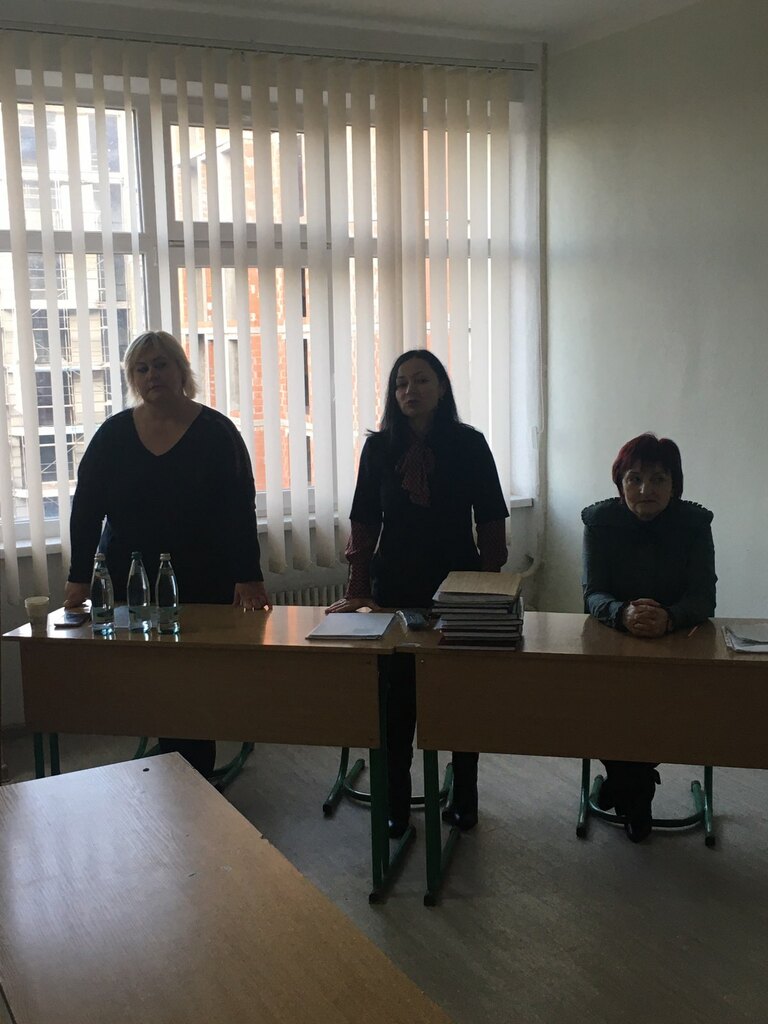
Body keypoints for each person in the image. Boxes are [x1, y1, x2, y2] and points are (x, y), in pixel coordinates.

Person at [64, 329, 269, 776]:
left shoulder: (216, 432)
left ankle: (192, 774)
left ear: (181, 370)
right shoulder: (113, 434)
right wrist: (79, 577)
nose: (152, 375)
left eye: (161, 364)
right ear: (132, 378)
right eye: (141, 368)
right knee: (151, 678)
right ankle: (171, 762)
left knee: (192, 682)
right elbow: (86, 510)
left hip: (203, 578)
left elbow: (239, 508)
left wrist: (248, 575)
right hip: (131, 578)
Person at [328, 349, 509, 836]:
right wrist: (358, 588)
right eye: (401, 383)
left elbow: (492, 518)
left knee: (459, 695)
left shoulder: (469, 444)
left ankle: (465, 795)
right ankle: (396, 801)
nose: (410, 391)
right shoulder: (378, 449)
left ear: (441, 388)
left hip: (458, 587)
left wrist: (488, 588)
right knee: (396, 699)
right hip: (395, 587)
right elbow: (364, 521)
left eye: (422, 380)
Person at [581, 432, 716, 842]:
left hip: (676, 644)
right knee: (602, 705)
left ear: (674, 485)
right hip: (614, 640)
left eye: (658, 479)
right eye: (634, 479)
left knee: (662, 711)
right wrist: (623, 613)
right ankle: (635, 790)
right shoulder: (599, 522)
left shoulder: (694, 524)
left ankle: (625, 787)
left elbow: (704, 597)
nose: (645, 490)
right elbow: (593, 593)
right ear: (620, 483)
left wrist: (669, 618)